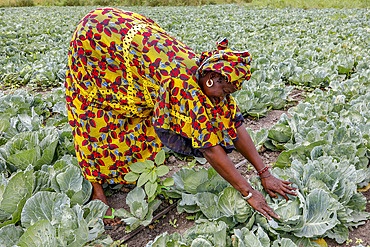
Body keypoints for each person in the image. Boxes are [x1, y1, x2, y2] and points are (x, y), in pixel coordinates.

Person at [65, 7, 297, 225]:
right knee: (94, 117)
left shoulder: (213, 74)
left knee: (138, 114)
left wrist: (264, 173)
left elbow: (234, 123)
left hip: (129, 40)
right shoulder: (182, 86)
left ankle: (128, 171)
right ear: (210, 79)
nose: (224, 98)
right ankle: (97, 192)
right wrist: (248, 193)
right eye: (225, 92)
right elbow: (209, 148)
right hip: (96, 40)